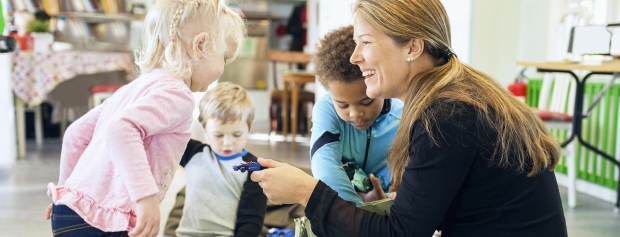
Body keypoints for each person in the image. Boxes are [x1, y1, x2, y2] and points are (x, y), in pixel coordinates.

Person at [251, 0, 568, 236]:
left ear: (413, 47)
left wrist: (305, 191)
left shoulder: (446, 116)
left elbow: (400, 234)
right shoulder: (456, 96)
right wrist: (389, 205)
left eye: (366, 42)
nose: (354, 56)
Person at [44, 0, 246, 236]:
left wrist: (68, 194)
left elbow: (75, 135)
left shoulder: (134, 88)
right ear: (200, 45)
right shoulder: (178, 94)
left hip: (68, 213)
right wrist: (145, 198)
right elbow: (121, 129)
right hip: (107, 220)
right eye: (224, 57)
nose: (223, 68)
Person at [310, 25, 402, 206]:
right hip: (346, 211)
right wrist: (357, 213)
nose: (355, 114)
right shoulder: (326, 108)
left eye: (366, 102)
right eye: (342, 105)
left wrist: (385, 203)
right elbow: (325, 169)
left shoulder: (402, 117)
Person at [170, 82, 266, 237]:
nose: (227, 142)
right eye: (218, 135)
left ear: (250, 126)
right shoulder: (193, 153)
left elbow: (251, 222)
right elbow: (167, 134)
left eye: (237, 135)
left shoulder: (254, 168)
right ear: (203, 126)